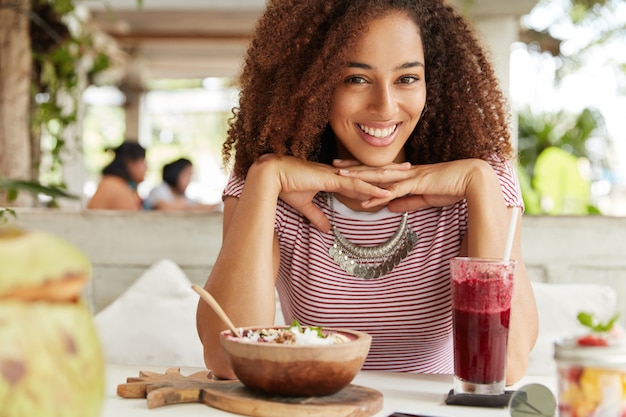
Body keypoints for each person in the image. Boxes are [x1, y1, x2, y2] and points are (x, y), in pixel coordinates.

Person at [196, 0, 539, 384]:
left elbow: (506, 367)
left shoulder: (482, 181)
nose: (385, 106)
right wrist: (265, 178)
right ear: (311, 83)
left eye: (407, 78)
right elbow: (227, 360)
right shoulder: (266, 185)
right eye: (356, 79)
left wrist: (478, 181)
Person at [87, 141, 147, 210]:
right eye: (143, 161)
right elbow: (134, 219)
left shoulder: (112, 183)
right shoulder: (115, 187)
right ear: (130, 163)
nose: (146, 168)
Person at [146, 158, 220, 211]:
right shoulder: (159, 190)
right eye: (187, 175)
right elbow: (164, 208)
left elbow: (196, 206)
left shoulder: (182, 195)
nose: (189, 180)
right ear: (176, 173)